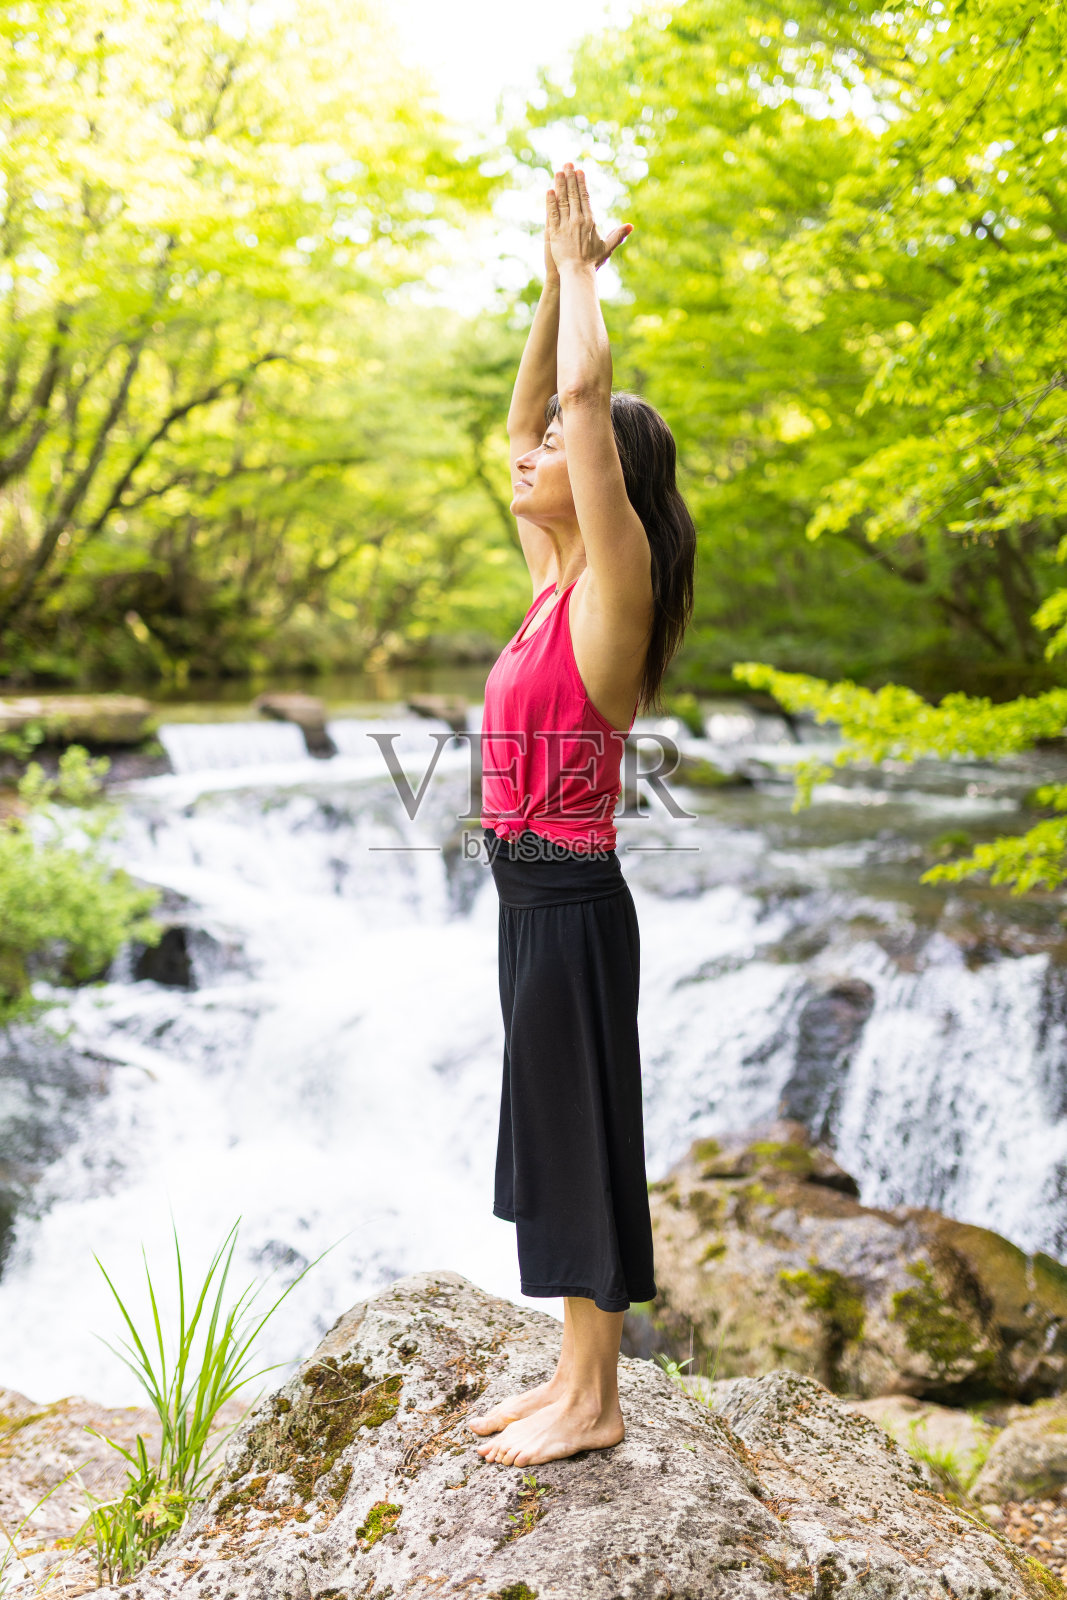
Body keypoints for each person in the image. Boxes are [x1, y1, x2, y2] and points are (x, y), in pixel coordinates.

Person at [469, 163, 697, 1468]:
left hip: (569, 901)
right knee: (554, 1129)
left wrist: (579, 275)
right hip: (524, 894)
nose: (535, 453)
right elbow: (529, 405)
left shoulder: (611, 589)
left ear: (605, 478)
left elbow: (576, 410)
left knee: (585, 1129)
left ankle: (598, 1402)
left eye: (562, 453)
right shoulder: (550, 575)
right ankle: (569, 1381)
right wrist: (551, 288)